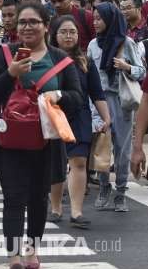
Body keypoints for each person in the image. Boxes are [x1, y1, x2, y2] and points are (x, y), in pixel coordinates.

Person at [0, 2, 83, 269]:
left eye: (33, 22)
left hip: (46, 140)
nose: (27, 27)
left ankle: (31, 250)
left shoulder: (61, 60)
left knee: (38, 198)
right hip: (10, 141)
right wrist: (11, 73)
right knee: (13, 198)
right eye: (22, 22)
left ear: (46, 26)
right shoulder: (4, 54)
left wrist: (58, 95)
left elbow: (77, 97)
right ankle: (14, 255)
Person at [48, 15, 111, 229]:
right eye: (64, 32)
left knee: (79, 162)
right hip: (53, 116)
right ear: (54, 35)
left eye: (72, 32)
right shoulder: (47, 60)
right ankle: (56, 207)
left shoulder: (85, 61)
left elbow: (97, 93)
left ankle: (76, 212)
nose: (68, 36)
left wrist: (106, 117)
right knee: (56, 163)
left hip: (80, 116)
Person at [88, 2, 145, 212]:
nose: (95, 23)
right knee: (102, 145)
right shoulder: (93, 45)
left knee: (122, 149)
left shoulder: (127, 43)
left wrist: (126, 67)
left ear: (110, 19)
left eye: (99, 19)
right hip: (99, 101)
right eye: (93, 19)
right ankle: (104, 187)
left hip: (121, 101)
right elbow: (90, 78)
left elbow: (142, 72)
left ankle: (120, 193)